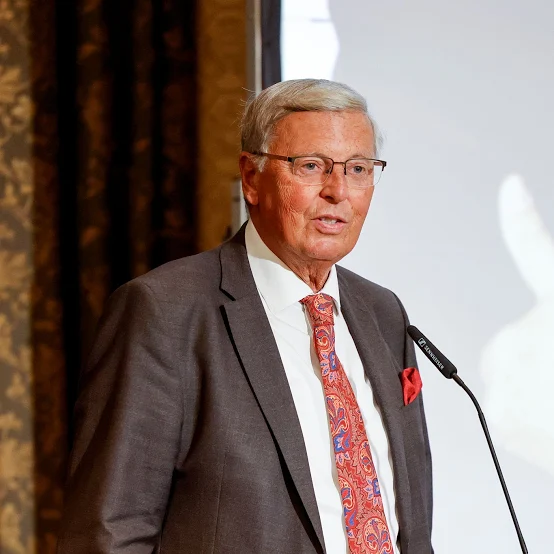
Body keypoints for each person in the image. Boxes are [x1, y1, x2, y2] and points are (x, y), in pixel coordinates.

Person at [57, 79, 433, 554]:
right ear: (251, 179)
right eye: (311, 166)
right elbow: (107, 532)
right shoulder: (164, 312)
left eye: (358, 168)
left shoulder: (383, 313)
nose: (338, 191)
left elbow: (409, 524)